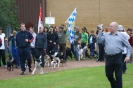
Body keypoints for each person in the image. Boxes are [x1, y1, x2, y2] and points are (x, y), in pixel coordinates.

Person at [97, 22, 131, 88]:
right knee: (108, 75)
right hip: (109, 57)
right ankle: (114, 86)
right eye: (110, 26)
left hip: (118, 57)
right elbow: (100, 41)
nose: (110, 28)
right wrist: (100, 32)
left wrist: (128, 56)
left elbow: (128, 46)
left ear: (116, 27)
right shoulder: (106, 35)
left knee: (118, 76)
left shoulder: (121, 36)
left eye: (111, 26)